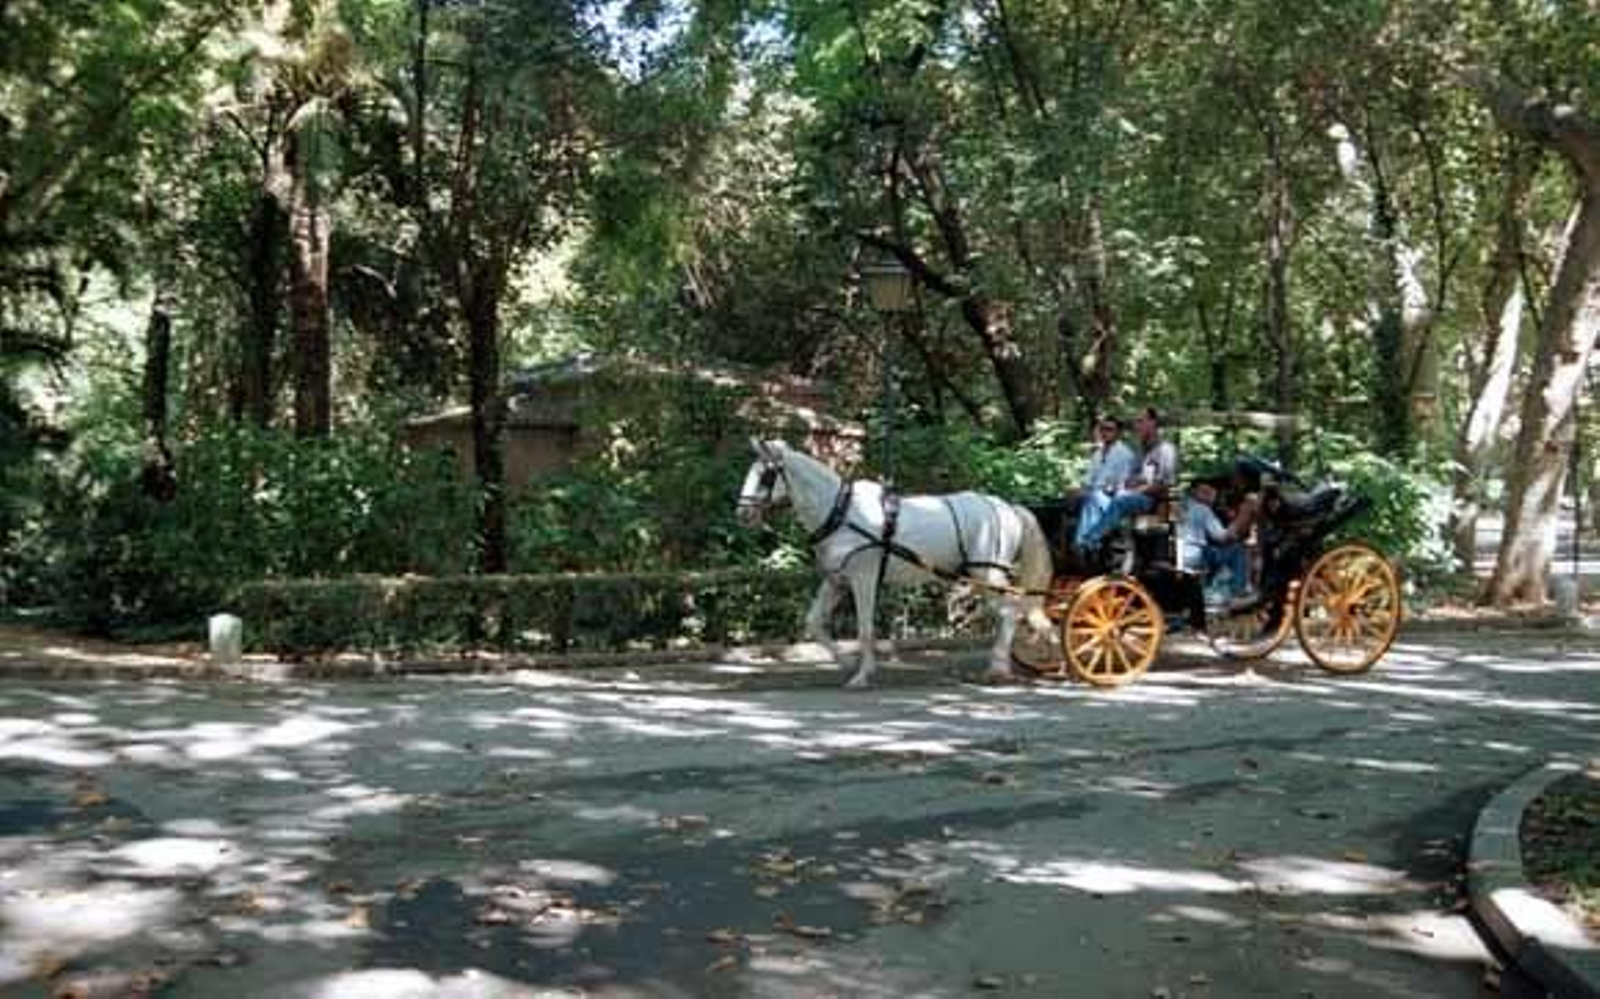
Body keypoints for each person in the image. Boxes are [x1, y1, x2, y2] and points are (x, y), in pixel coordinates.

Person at [1076, 406, 1178, 551]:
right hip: (1129, 494)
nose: (1137, 426)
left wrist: (1136, 489)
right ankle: (1085, 546)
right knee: (1095, 497)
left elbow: (1162, 484)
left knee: (1120, 500)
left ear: (1153, 423)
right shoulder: (1140, 451)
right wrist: (1127, 484)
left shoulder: (1165, 449)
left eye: (1140, 421)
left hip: (1150, 500)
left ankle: (1089, 540)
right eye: (1136, 422)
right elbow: (1131, 478)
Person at [1178, 480, 1256, 605]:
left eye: (1211, 493)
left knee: (1215, 552)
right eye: (1205, 492)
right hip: (1195, 555)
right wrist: (1243, 515)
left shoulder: (1179, 505)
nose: (1210, 496)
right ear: (1193, 492)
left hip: (1178, 554)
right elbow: (1222, 536)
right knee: (1238, 549)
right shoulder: (1202, 509)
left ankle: (1214, 589)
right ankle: (1238, 593)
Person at [1068, 415, 1137, 504]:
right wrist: (1079, 490)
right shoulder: (1097, 454)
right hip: (1092, 492)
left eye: (1109, 429)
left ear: (1118, 432)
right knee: (1069, 493)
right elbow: (1088, 479)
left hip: (1108, 495)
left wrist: (1099, 491)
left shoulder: (1125, 454)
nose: (1104, 432)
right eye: (1102, 429)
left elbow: (1123, 484)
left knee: (1090, 497)